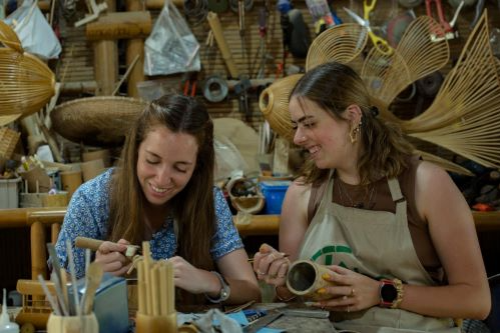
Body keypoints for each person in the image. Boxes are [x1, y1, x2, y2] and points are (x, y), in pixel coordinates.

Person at [253, 62, 490, 332]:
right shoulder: (303, 192)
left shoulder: (426, 185)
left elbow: (476, 300)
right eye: (296, 126)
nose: (298, 137)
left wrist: (381, 292)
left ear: (352, 117)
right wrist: (282, 283)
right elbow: (293, 302)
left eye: (309, 123)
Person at [55, 94, 260, 305]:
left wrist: (209, 281)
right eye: (152, 161)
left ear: (198, 166)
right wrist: (95, 279)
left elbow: (251, 290)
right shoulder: (92, 199)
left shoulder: (209, 201)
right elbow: (58, 298)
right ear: (135, 151)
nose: (162, 179)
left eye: (180, 168)